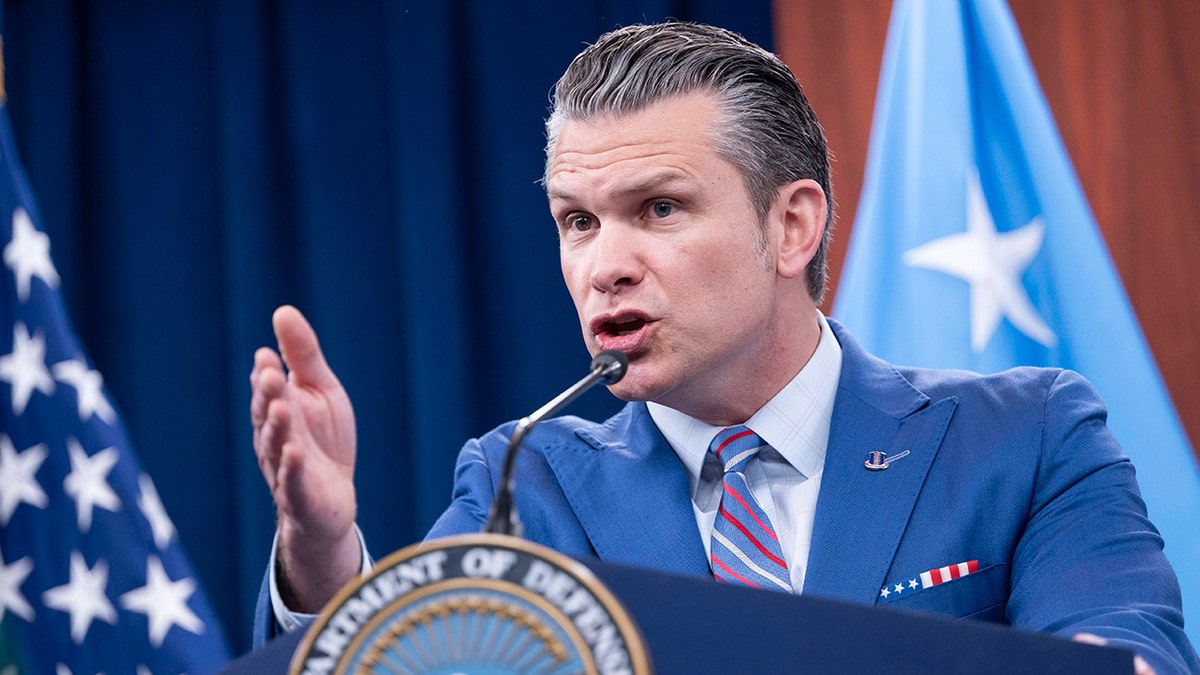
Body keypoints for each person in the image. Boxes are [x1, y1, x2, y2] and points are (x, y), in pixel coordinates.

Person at [249, 21, 1197, 674]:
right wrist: (325, 552)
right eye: (576, 221)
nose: (603, 266)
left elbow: (1128, 654)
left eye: (658, 208)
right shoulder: (526, 484)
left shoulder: (1026, 438)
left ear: (791, 228)